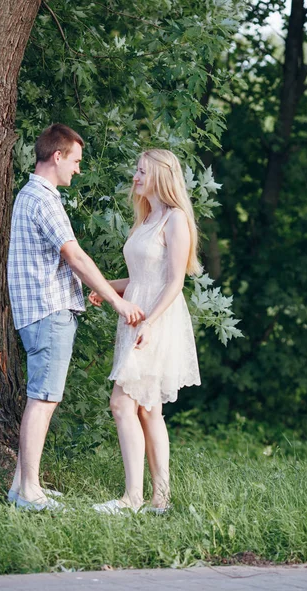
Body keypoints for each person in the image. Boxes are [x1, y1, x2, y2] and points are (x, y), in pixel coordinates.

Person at [7, 123, 145, 511]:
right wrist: (117, 302)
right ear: (57, 156)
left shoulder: (29, 195)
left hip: (37, 312)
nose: (78, 170)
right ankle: (30, 492)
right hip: (49, 312)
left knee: (42, 396)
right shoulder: (45, 200)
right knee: (43, 400)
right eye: (76, 161)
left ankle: (21, 486)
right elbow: (76, 256)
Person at [89, 149, 201, 514]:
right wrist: (107, 288)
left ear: (161, 176)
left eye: (141, 171)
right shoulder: (147, 219)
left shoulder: (175, 219)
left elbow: (173, 282)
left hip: (157, 320)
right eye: (136, 170)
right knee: (148, 410)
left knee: (122, 403)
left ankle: (132, 498)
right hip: (134, 317)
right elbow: (140, 278)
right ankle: (160, 499)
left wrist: (150, 323)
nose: (135, 177)